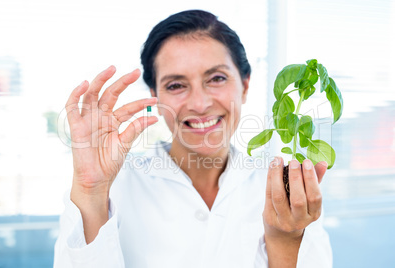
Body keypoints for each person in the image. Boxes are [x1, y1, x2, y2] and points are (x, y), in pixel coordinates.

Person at [54, 10, 332, 268]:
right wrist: (90, 190)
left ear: (245, 85)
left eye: (217, 78)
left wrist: (285, 239)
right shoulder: (115, 188)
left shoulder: (286, 193)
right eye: (176, 85)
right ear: (155, 95)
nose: (199, 103)